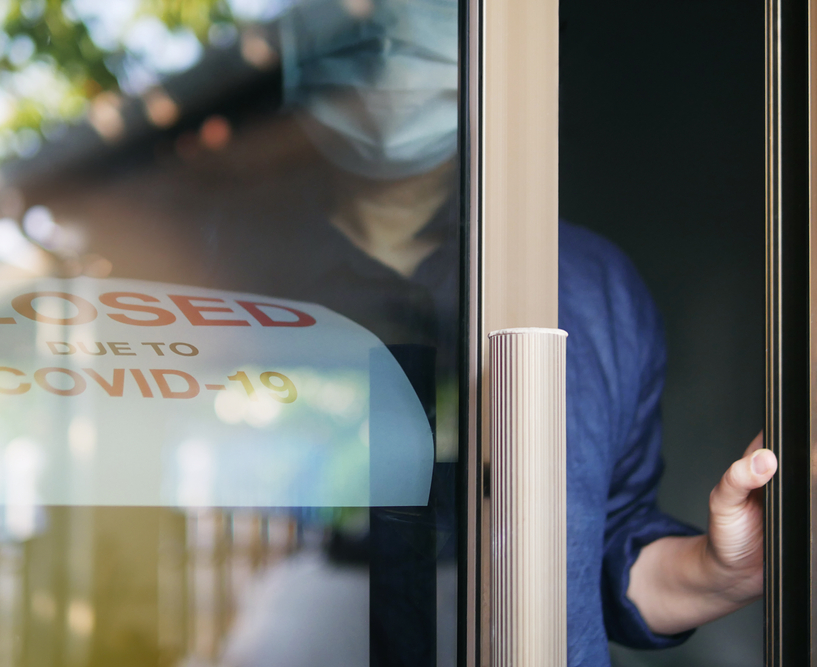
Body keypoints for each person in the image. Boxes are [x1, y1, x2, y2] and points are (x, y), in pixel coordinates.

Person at [209, 0, 777, 664]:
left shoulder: (593, 290)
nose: (391, 40)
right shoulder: (210, 279)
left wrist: (719, 569)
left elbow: (598, 559)